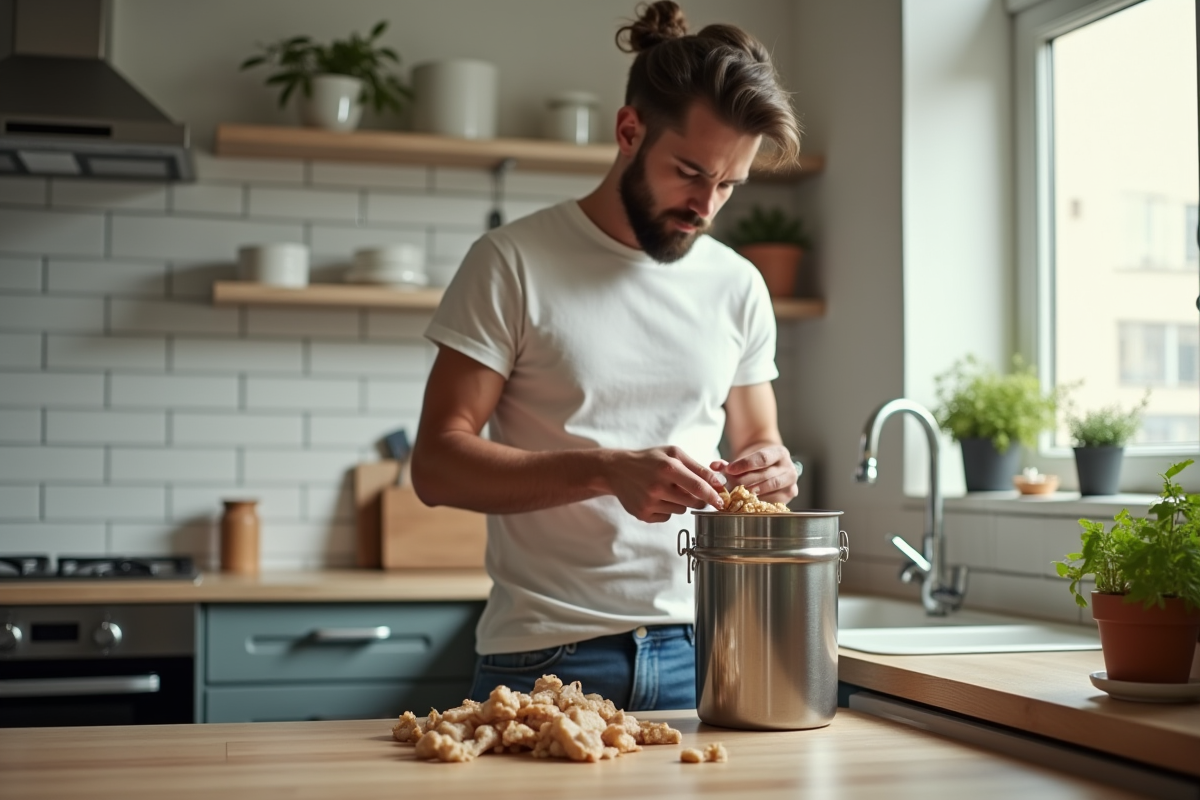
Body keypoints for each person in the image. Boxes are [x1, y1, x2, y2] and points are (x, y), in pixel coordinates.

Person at [410, 0, 803, 711]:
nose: (706, 206)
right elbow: (436, 465)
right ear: (629, 132)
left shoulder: (738, 284)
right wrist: (605, 470)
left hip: (705, 644)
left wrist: (773, 467)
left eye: (727, 184)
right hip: (545, 655)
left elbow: (759, 439)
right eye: (689, 172)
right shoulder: (512, 262)